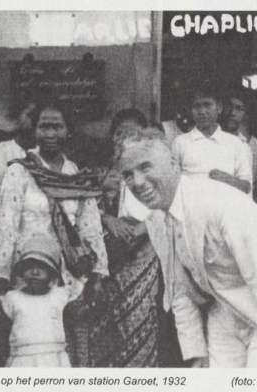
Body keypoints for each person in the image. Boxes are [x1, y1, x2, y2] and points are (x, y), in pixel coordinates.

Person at [115, 128, 257, 368]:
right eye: (128, 174)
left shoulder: (221, 203)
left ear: (173, 163)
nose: (137, 182)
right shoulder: (156, 220)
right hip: (226, 313)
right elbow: (179, 289)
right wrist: (197, 352)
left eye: (145, 167)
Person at [0, 103, 109, 364]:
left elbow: (90, 227)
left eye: (57, 126)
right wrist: (2, 274)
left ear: (68, 131)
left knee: (71, 350)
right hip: (29, 273)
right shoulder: (20, 171)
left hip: (71, 275)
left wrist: (98, 274)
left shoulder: (76, 175)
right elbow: (6, 224)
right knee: (32, 348)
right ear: (34, 131)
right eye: (44, 126)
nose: (50, 133)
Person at [75, 109, 164, 368]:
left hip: (142, 260)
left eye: (133, 133)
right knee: (105, 329)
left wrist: (140, 230)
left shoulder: (153, 172)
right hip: (108, 261)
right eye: (120, 132)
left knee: (139, 324)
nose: (125, 138)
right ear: (112, 137)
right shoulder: (97, 173)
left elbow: (163, 210)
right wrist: (107, 219)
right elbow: (81, 207)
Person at [0, 235, 74, 367]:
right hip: (22, 362)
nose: (35, 272)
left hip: (54, 361)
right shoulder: (13, 298)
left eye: (42, 267)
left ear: (52, 273)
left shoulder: (59, 296)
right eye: (30, 266)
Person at [172, 84, 252, 194]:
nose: (202, 112)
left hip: (224, 209)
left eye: (207, 105)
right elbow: (171, 183)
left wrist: (229, 180)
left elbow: (247, 186)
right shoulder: (180, 142)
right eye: (197, 106)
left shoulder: (235, 144)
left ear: (219, 107)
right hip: (191, 209)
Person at [223, 89, 257, 187]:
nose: (232, 113)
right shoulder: (210, 138)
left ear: (246, 115)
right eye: (229, 106)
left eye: (239, 109)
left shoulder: (245, 148)